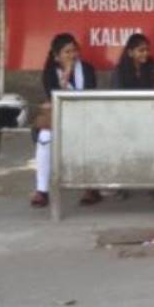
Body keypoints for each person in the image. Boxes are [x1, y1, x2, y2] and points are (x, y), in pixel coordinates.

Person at [32, 32, 99, 208]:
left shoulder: (87, 69)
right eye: (67, 52)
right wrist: (67, 74)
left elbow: (92, 93)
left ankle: (90, 187)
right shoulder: (49, 73)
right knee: (45, 137)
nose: (72, 56)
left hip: (85, 116)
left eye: (74, 51)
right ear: (56, 56)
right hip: (60, 118)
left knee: (90, 137)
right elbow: (55, 97)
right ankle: (42, 190)